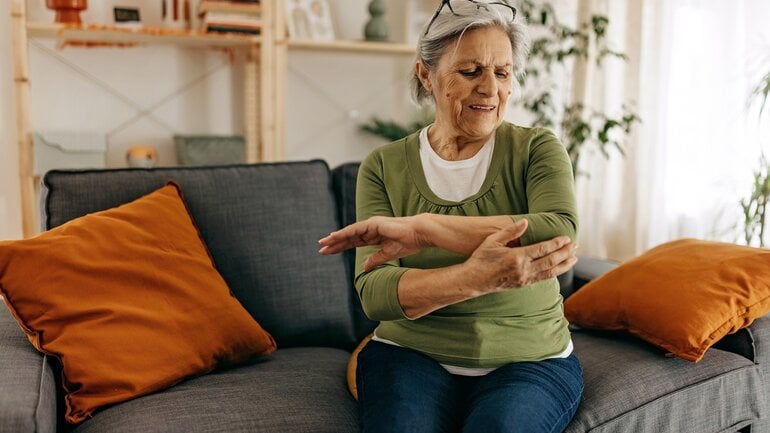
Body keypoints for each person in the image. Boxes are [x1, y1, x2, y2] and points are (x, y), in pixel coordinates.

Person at [318, 1, 582, 431]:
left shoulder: (537, 149)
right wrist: (477, 277)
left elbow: (557, 232)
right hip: (410, 355)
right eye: (470, 71)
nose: (490, 89)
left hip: (530, 359)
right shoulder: (384, 165)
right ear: (426, 74)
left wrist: (426, 229)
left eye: (502, 72)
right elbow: (376, 291)